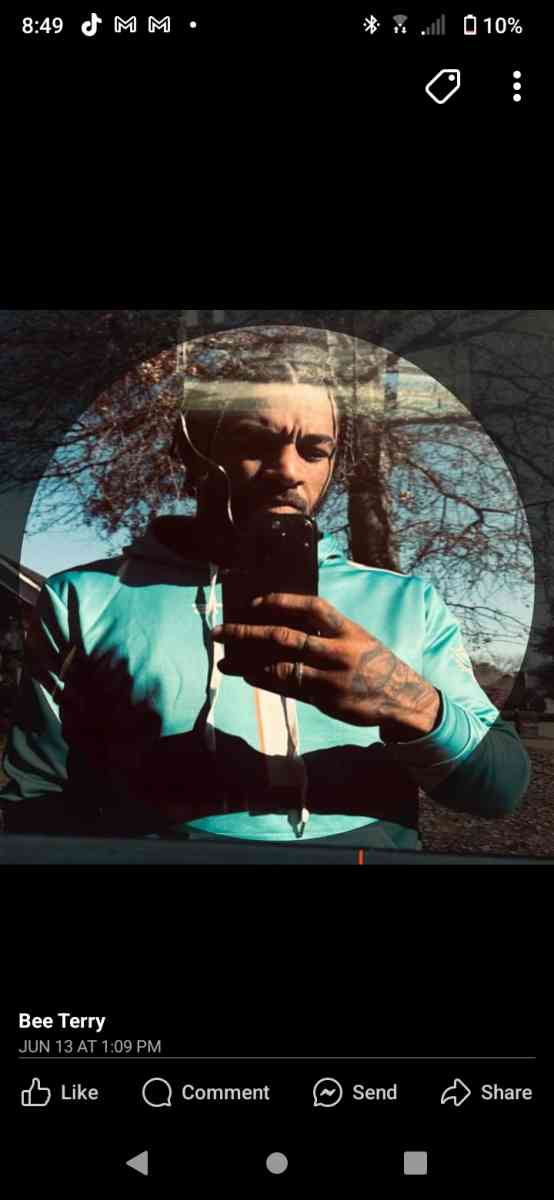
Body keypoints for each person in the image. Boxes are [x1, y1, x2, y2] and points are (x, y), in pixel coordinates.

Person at [0, 327, 530, 847]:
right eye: (254, 442)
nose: (287, 471)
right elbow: (35, 795)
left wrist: (406, 701)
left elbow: (501, 789)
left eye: (314, 450)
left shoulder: (408, 603)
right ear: (193, 452)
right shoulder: (84, 599)